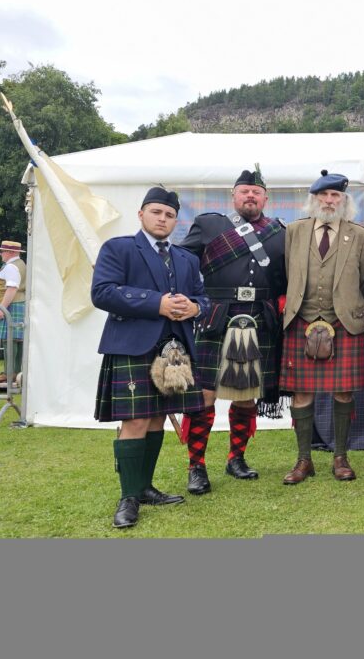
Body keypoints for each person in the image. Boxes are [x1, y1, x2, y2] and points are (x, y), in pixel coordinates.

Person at [91, 187, 209, 529]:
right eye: (156, 212)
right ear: (141, 214)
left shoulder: (187, 259)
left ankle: (144, 487)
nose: (163, 219)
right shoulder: (119, 248)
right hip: (133, 346)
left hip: (175, 352)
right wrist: (155, 303)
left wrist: (196, 307)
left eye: (170, 214)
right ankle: (128, 496)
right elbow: (102, 292)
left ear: (176, 220)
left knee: (158, 416)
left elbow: (203, 298)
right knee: (136, 421)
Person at [178, 166, 287, 493]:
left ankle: (236, 457)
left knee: (246, 396)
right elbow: (182, 263)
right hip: (216, 316)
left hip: (260, 318)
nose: (250, 195)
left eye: (256, 192)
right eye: (244, 191)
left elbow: (288, 278)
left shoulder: (280, 232)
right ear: (233, 195)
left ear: (266, 198)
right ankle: (196, 465)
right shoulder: (210, 224)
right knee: (204, 395)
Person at [280, 170, 364, 484]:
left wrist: (345, 307)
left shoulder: (359, 235)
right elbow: (287, 273)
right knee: (301, 392)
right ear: (314, 199)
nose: (330, 201)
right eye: (324, 195)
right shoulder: (294, 231)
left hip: (343, 322)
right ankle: (303, 460)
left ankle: (340, 458)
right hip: (300, 320)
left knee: (343, 393)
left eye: (336, 196)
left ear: (344, 201)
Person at [0, 240, 26, 384]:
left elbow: (12, 288)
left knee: (9, 340)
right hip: (18, 304)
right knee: (16, 340)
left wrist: (2, 308)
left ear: (10, 252)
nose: (0, 253)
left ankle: (9, 373)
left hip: (11, 304)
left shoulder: (11, 267)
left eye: (2, 251)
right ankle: (14, 372)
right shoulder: (21, 264)